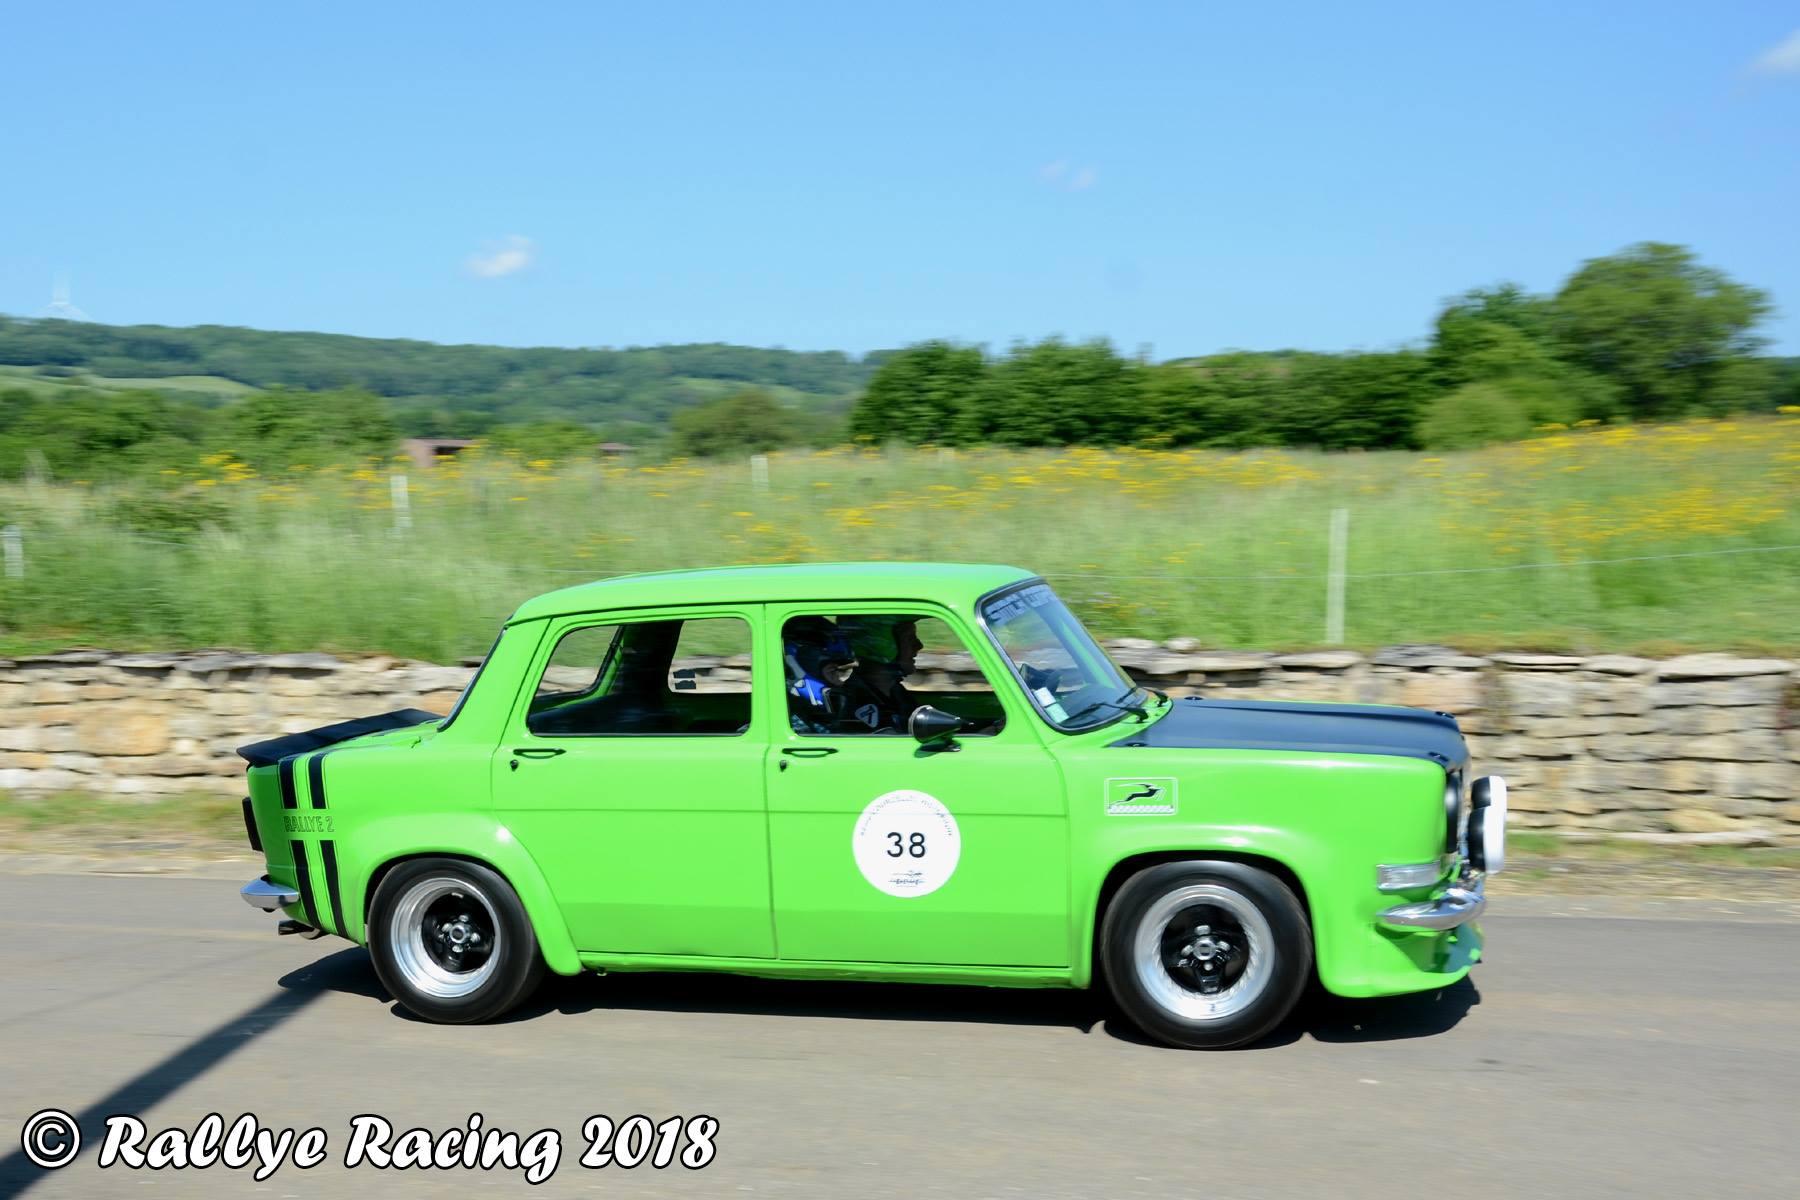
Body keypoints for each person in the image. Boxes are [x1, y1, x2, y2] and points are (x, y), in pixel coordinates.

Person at [837, 616, 923, 733]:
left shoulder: (896, 692)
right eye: (909, 638)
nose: (919, 645)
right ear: (881, 647)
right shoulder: (859, 704)